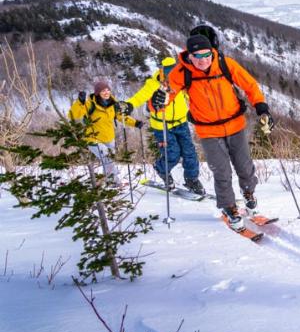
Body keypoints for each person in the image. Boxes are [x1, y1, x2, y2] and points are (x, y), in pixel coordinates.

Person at [152, 33, 274, 231]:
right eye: (197, 56)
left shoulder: (226, 64)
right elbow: (163, 99)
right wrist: (157, 101)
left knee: (245, 167)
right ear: (189, 56)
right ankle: (229, 208)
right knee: (221, 171)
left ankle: (249, 194)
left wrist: (261, 107)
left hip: (235, 125)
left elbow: (249, 84)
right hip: (208, 131)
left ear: (213, 51)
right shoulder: (181, 73)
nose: (203, 60)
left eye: (206, 54)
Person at [123, 57, 203, 195]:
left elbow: (192, 95)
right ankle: (161, 169)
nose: (171, 76)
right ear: (162, 71)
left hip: (181, 123)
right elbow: (140, 96)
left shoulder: (180, 81)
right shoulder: (153, 84)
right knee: (173, 154)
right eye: (168, 73)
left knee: (190, 153)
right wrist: (129, 104)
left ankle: (192, 179)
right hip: (162, 126)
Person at [68, 80, 143, 185]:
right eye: (103, 90)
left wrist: (135, 123)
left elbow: (121, 117)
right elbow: (73, 114)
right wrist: (80, 102)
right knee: (108, 158)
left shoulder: (113, 104)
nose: (106, 92)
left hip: (109, 137)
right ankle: (114, 182)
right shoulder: (90, 104)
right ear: (98, 93)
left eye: (108, 90)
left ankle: (109, 181)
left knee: (109, 160)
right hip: (93, 138)